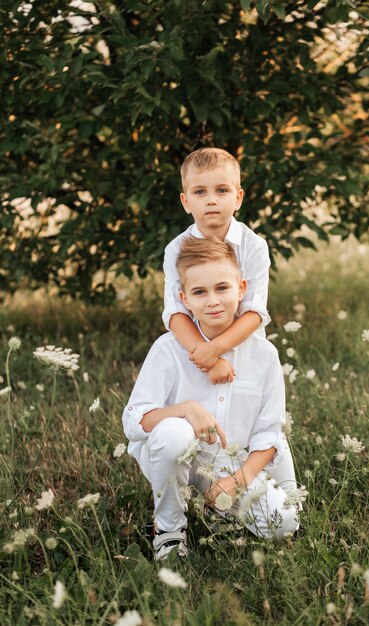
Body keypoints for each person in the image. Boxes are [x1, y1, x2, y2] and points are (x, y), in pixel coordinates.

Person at [122, 238, 299, 561]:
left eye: (222, 288)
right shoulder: (167, 349)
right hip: (177, 459)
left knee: (283, 524)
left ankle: (221, 509)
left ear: (242, 288)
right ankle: (170, 527)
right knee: (174, 432)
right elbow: (135, 423)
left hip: (230, 463)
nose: (213, 301)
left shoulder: (264, 355)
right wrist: (187, 410)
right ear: (184, 298)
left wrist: (235, 481)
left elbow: (269, 433)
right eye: (200, 292)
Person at [163, 147, 271, 385]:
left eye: (222, 190)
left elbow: (254, 311)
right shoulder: (175, 250)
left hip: (244, 347)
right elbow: (175, 312)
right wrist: (206, 355)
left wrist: (216, 349)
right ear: (186, 201)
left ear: (238, 198)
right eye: (200, 192)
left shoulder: (254, 246)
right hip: (193, 350)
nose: (211, 200)